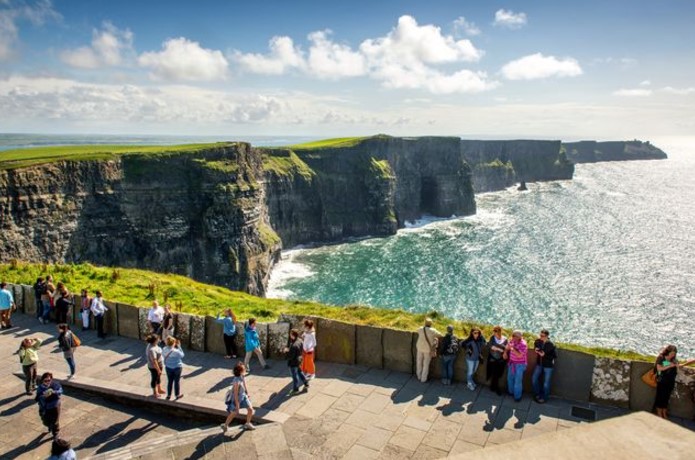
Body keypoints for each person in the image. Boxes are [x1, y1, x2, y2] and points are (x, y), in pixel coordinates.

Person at [654, 345, 695, 419]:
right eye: (672, 353)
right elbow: (659, 368)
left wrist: (677, 365)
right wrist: (670, 365)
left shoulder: (674, 360)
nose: (673, 355)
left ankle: (664, 411)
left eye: (674, 353)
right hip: (662, 380)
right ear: (667, 352)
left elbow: (677, 366)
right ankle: (659, 412)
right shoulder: (661, 358)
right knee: (660, 396)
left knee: (666, 397)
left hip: (670, 381)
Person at [221, 362, 256, 432]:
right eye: (244, 369)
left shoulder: (242, 376)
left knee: (250, 409)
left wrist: (247, 392)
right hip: (237, 399)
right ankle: (225, 425)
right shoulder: (236, 382)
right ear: (240, 371)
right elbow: (236, 395)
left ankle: (248, 423)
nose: (245, 369)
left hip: (243, 396)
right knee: (234, 413)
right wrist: (237, 406)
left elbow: (244, 383)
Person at [531, 329, 557, 403]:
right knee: (534, 379)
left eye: (542, 336)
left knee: (546, 383)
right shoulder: (538, 341)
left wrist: (544, 355)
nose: (541, 337)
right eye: (540, 335)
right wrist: (535, 349)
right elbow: (535, 346)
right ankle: (537, 394)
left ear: (547, 336)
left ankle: (545, 397)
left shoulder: (551, 345)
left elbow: (554, 356)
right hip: (539, 363)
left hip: (548, 365)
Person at [35, 372, 63, 439]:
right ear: (42, 380)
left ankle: (55, 433)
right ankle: (50, 426)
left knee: (55, 420)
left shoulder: (55, 385)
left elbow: (60, 391)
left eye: (49, 380)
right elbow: (37, 397)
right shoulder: (40, 388)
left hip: (55, 405)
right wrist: (43, 396)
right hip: (45, 407)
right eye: (45, 380)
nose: (47, 382)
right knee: (45, 421)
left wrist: (54, 392)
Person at [415, 318, 442, 383]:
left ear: (425, 323)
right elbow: (440, 335)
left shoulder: (421, 329)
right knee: (426, 364)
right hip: (428, 349)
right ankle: (423, 379)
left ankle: (418, 376)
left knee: (419, 362)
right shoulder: (433, 330)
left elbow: (417, 330)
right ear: (431, 324)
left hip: (420, 347)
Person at [285, 329, 309, 396]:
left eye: (290, 334)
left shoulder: (293, 346)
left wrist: (286, 351)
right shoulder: (300, 340)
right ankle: (306, 384)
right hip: (299, 360)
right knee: (300, 372)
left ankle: (296, 390)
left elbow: (290, 357)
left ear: (293, 335)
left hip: (293, 363)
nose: (290, 336)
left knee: (295, 377)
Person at [505, 330, 528, 402]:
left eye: (515, 336)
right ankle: (511, 392)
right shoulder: (512, 340)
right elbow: (507, 347)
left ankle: (517, 396)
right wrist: (505, 352)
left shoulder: (523, 344)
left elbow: (519, 355)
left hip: (520, 365)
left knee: (517, 381)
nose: (513, 337)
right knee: (510, 378)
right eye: (513, 335)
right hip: (512, 363)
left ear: (519, 337)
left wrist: (512, 348)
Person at [486, 326, 508, 395]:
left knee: (499, 374)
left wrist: (504, 352)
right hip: (493, 359)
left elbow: (507, 348)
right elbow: (491, 346)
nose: (494, 332)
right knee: (495, 374)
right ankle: (495, 388)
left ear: (499, 331)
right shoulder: (492, 338)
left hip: (501, 360)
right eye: (494, 331)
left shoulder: (505, 339)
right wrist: (499, 349)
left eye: (496, 331)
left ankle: (493, 387)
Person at [163, 336, 185, 400]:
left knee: (170, 381)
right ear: (174, 343)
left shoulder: (164, 349)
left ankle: (168, 395)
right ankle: (177, 395)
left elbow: (163, 355)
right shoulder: (176, 351)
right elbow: (182, 355)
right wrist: (179, 346)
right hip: (177, 367)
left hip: (168, 367)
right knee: (176, 381)